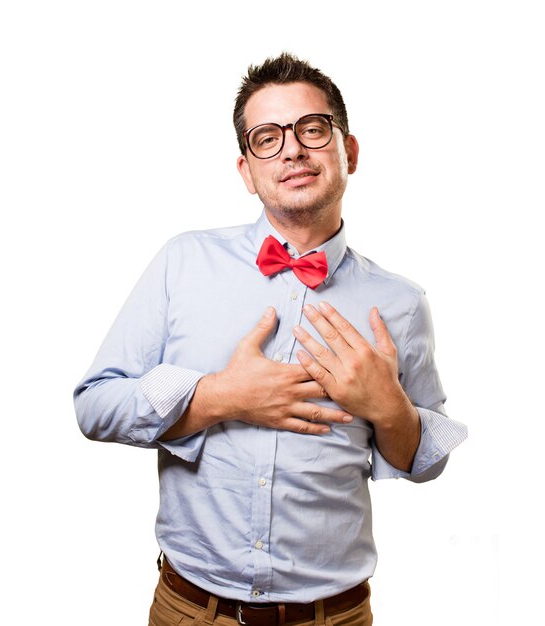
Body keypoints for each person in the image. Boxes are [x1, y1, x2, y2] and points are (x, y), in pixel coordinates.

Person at [74, 52, 467, 626]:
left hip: (335, 616)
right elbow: (94, 406)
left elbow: (423, 462)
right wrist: (219, 397)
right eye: (267, 137)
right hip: (189, 610)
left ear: (348, 152)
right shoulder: (183, 262)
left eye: (312, 128)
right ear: (246, 170)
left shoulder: (402, 303)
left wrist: (389, 409)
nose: (292, 149)